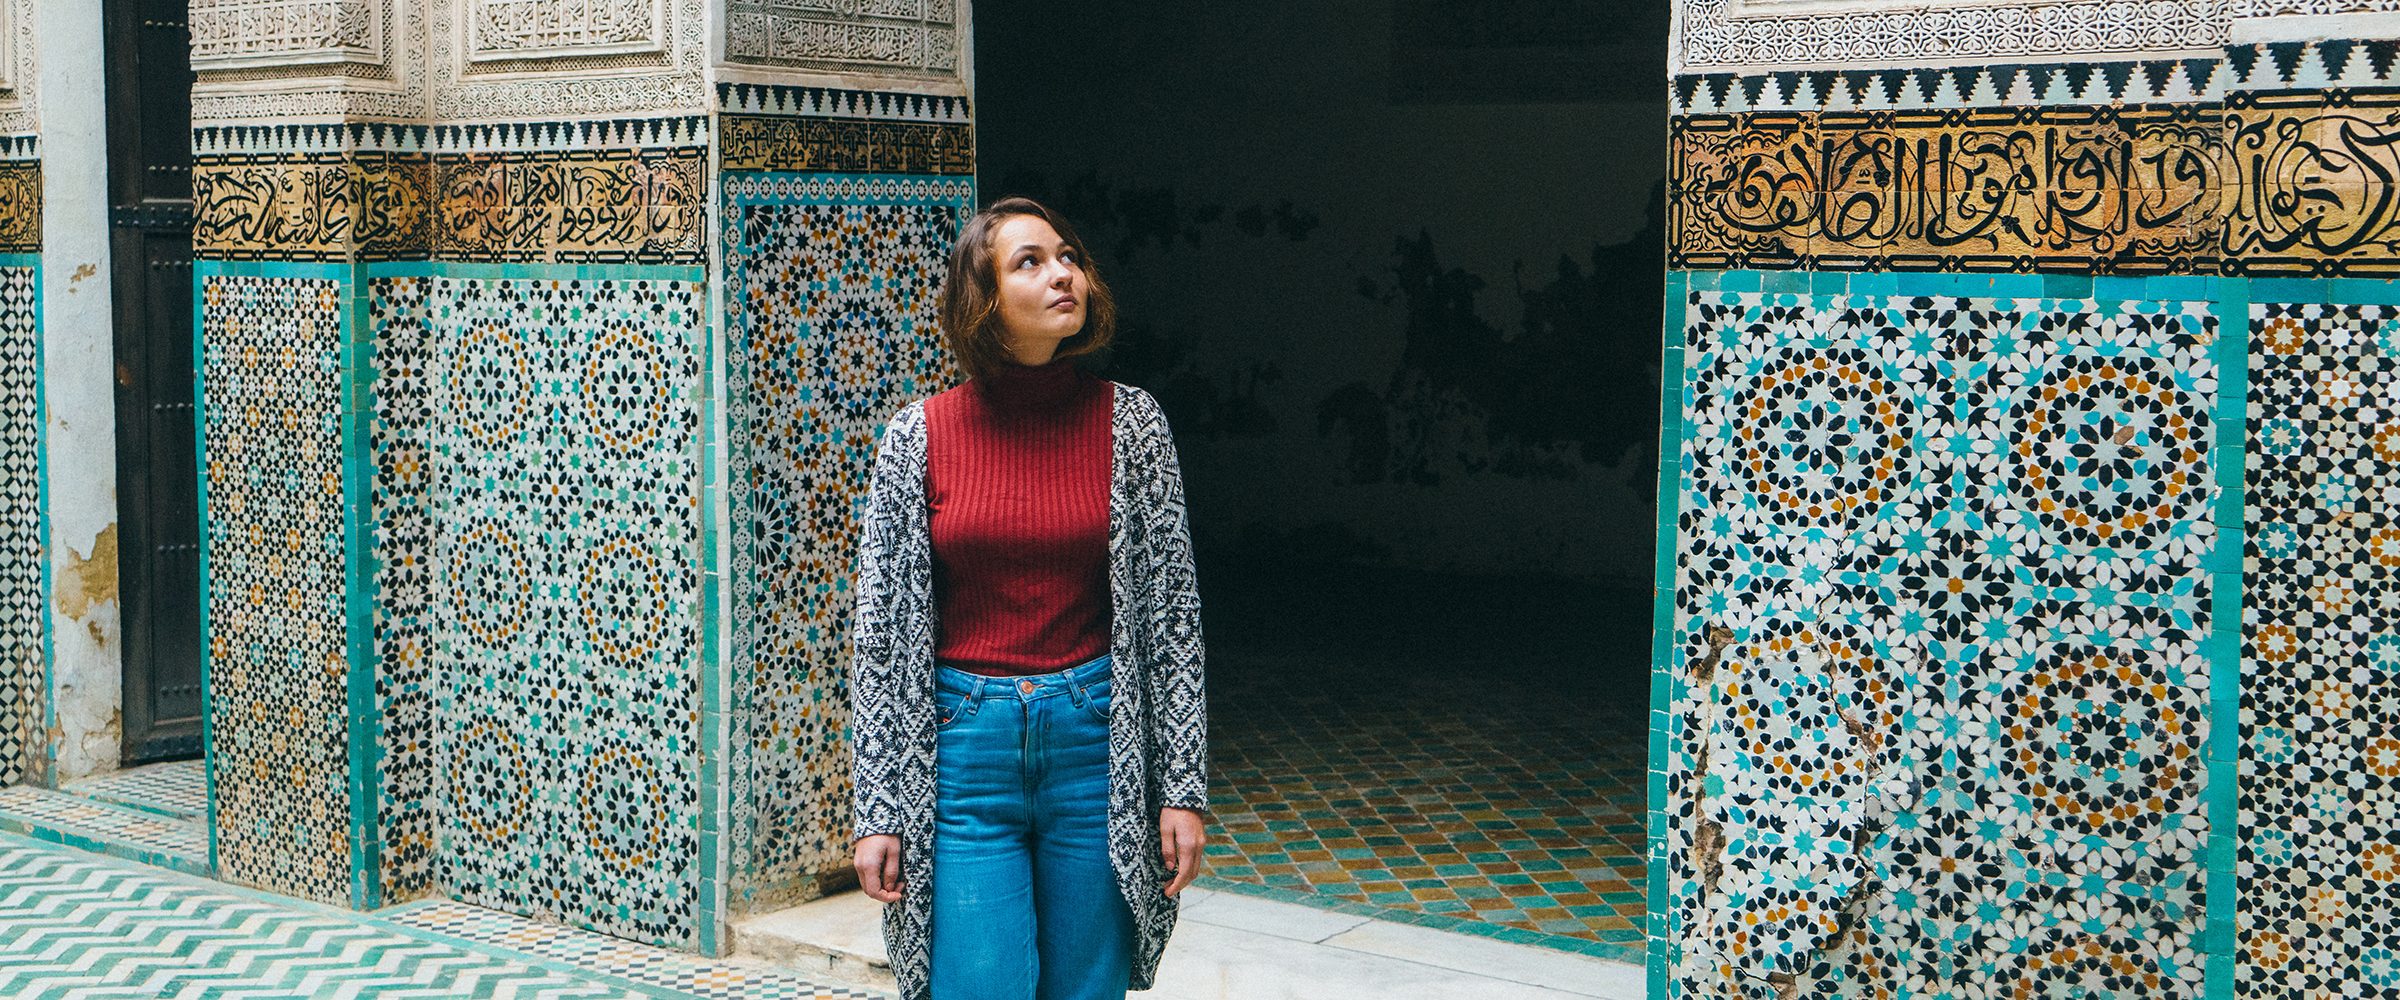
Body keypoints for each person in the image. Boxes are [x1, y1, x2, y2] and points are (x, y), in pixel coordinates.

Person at [849, 196, 1210, 1000]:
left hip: (1096, 748)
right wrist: (878, 808)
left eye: (1068, 257)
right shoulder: (919, 436)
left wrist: (1181, 790)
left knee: (1087, 986)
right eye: (1031, 262)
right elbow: (879, 638)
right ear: (983, 300)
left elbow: (1173, 623)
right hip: (963, 755)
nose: (1062, 274)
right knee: (980, 983)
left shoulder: (1132, 425)